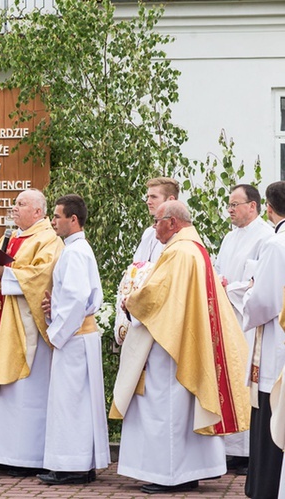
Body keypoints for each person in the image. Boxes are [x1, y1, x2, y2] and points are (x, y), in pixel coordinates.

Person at [118, 200, 250, 494]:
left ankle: (170, 475)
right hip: (185, 340)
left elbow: (157, 295)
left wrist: (130, 301)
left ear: (172, 222)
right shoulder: (195, 249)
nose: (154, 228)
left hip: (170, 347)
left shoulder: (178, 252)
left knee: (168, 410)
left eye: (157, 222)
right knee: (182, 410)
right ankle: (189, 472)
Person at [0, 188, 64, 477]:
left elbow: (40, 276)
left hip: (26, 326)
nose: (14, 208)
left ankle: (27, 456)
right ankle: (3, 452)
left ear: (38, 211)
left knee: (26, 392)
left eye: (21, 204)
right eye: (14, 204)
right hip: (1, 322)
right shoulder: (11, 236)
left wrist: (7, 272)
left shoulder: (48, 239)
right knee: (6, 394)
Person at [36, 194, 110, 485]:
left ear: (73, 219)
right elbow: (73, 297)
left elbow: (78, 298)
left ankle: (72, 467)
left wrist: (56, 331)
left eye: (57, 216)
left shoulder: (76, 252)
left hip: (73, 337)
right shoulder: (76, 249)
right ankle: (81, 464)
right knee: (78, 402)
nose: (53, 221)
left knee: (71, 403)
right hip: (79, 334)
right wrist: (54, 307)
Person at [215, 184, 273, 475]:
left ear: (253, 206)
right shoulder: (229, 237)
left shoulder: (266, 236)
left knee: (246, 381)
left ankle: (248, 452)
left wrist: (229, 288)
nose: (230, 210)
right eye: (229, 205)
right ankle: (230, 450)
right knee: (228, 379)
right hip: (227, 318)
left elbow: (257, 282)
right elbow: (218, 270)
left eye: (235, 204)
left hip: (248, 321)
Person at [241, 181, 285, 498]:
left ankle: (265, 488)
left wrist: (248, 292)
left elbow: (264, 302)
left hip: (275, 346)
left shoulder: (275, 245)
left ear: (268, 208)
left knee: (272, 417)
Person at [133, 177, 179, 263]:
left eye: (153, 197)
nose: (148, 202)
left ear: (171, 200)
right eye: (148, 197)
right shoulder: (148, 233)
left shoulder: (180, 236)